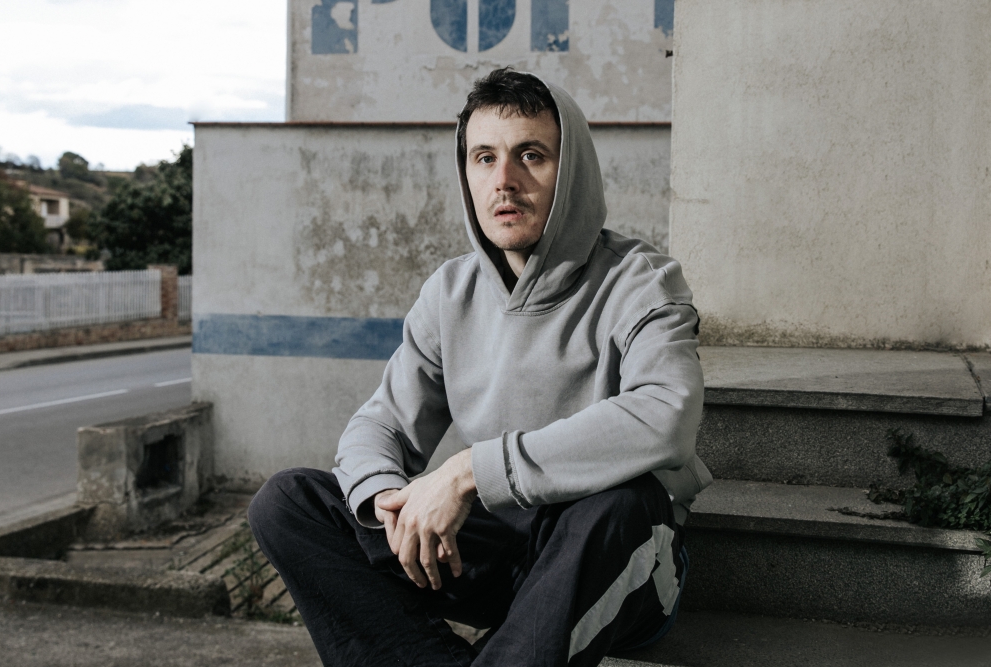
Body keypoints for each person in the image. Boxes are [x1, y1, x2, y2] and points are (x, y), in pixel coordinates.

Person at [248, 68, 711, 667]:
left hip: (614, 559)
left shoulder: (641, 281)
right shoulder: (451, 291)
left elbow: (664, 417)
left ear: (572, 170)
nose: (504, 181)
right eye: (484, 158)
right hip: (498, 555)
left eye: (531, 156)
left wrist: (466, 471)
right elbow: (381, 425)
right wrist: (388, 498)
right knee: (288, 502)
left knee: (622, 501)